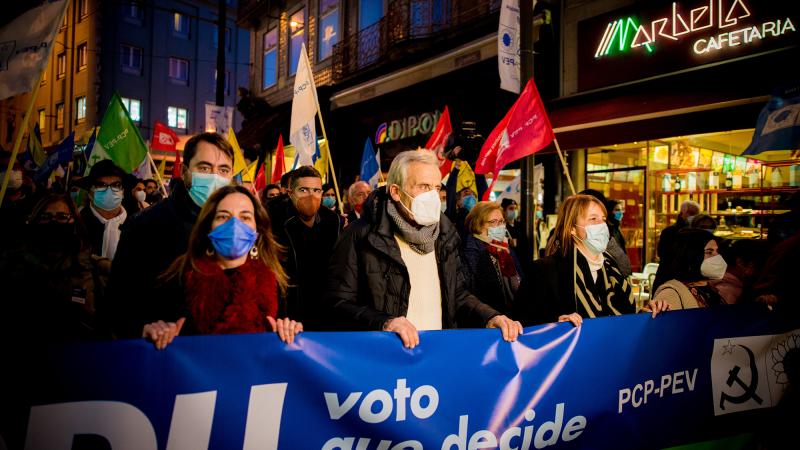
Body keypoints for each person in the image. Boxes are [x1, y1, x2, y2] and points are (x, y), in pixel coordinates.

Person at [326, 150, 522, 349]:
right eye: (424, 186)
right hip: (384, 360)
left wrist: (490, 316)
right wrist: (384, 322)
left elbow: (456, 294)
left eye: (436, 188)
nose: (433, 196)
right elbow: (337, 303)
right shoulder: (360, 236)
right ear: (395, 191)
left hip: (434, 358)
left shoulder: (445, 236)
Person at [141, 186, 302, 349]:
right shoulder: (179, 276)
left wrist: (288, 330)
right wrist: (155, 332)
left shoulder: (272, 281)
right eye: (223, 216)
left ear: (258, 229)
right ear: (208, 226)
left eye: (245, 217)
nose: (234, 225)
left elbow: (280, 336)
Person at [110, 132, 234, 338]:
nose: (214, 177)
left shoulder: (238, 226)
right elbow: (119, 299)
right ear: (185, 172)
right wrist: (141, 327)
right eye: (204, 168)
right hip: (166, 352)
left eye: (223, 170)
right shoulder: (146, 225)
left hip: (221, 353)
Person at [514, 194, 669, 327]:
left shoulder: (612, 267)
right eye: (593, 219)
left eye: (603, 219)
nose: (601, 225)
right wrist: (556, 324)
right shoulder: (545, 270)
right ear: (572, 229)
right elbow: (522, 321)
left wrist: (645, 314)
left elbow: (625, 318)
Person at [0, 193, 111, 342]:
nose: (54, 222)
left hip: (78, 357)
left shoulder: (95, 269)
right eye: (45, 217)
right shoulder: (10, 264)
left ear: (74, 221)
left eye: (62, 216)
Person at [268, 166, 343, 330]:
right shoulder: (274, 220)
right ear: (290, 193)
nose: (312, 196)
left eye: (317, 191)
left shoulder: (333, 221)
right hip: (289, 312)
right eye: (304, 190)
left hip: (324, 310)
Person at [461, 201, 523, 316]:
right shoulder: (469, 252)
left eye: (501, 221)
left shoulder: (505, 249)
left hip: (511, 316)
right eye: (493, 222)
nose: (500, 226)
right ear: (478, 225)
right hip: (485, 319)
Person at [652, 229, 726, 309]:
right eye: (709, 252)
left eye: (717, 251)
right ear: (691, 256)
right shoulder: (671, 293)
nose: (718, 257)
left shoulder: (708, 289)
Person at [77, 160, 129, 260]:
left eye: (116, 185)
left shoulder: (138, 224)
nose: (109, 190)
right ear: (89, 192)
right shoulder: (77, 224)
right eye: (101, 185)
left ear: (122, 192)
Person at [579, 189, 631, 276]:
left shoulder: (607, 237)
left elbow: (625, 268)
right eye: (593, 218)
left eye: (603, 219)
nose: (599, 225)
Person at [711, 239, 765, 305]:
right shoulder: (728, 292)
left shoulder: (721, 283)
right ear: (740, 262)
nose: (757, 271)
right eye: (753, 265)